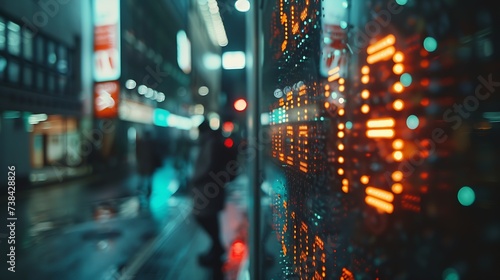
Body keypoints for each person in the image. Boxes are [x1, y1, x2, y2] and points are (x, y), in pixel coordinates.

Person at [189, 119, 238, 267]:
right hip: (211, 188)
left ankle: (217, 248)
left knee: (203, 216)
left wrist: (195, 179)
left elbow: (207, 166)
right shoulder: (212, 141)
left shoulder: (211, 143)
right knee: (210, 218)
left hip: (209, 188)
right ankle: (216, 249)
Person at [135, 129, 160, 201]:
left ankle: (141, 192)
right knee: (148, 179)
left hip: (144, 164)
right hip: (149, 164)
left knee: (142, 179)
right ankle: (147, 192)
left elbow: (138, 154)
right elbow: (155, 154)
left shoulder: (141, 143)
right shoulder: (151, 143)